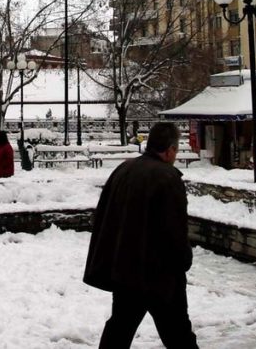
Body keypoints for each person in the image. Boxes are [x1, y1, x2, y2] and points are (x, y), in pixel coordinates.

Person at [84, 122, 197, 348]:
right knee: (179, 335)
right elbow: (174, 230)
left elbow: (105, 215)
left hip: (125, 269)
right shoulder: (167, 177)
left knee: (119, 329)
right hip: (159, 274)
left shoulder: (124, 170)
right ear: (171, 149)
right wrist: (183, 261)